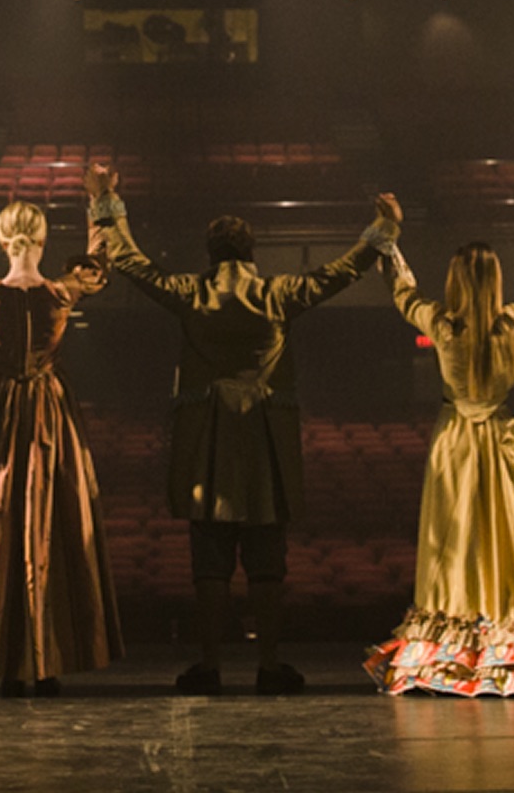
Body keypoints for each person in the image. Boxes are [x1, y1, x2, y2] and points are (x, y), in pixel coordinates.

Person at [80, 163, 401, 696]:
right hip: (265, 446)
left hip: (207, 443)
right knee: (266, 562)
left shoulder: (189, 292)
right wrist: (382, 231)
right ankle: (269, 664)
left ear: (210, 255)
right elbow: (339, 273)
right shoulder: (278, 294)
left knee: (209, 562)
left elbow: (132, 263)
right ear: (252, 253)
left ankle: (209, 665)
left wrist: (107, 201)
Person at [364, 201, 514, 697]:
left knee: (452, 542)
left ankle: (449, 638)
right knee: (504, 539)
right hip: (499, 442)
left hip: (456, 441)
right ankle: (503, 630)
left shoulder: (443, 325)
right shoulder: (510, 326)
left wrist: (391, 234)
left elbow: (403, 292)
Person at [0, 171, 123, 697]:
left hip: (5, 411)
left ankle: (11, 660)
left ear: (4, 237)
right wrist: (98, 199)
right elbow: (102, 261)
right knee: (52, 523)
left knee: (3, 522)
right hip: (50, 412)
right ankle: (48, 657)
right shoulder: (60, 293)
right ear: (40, 239)